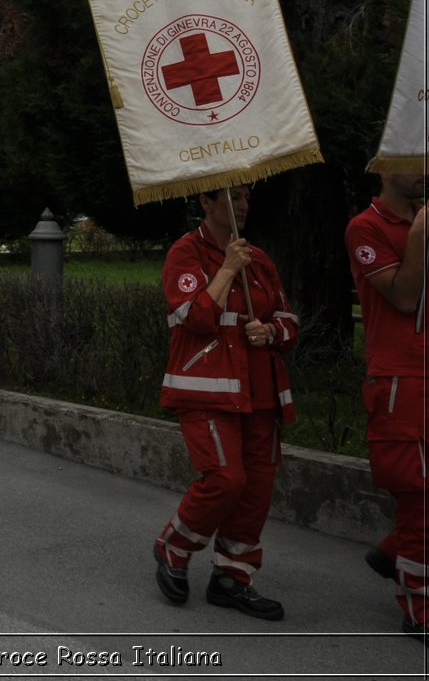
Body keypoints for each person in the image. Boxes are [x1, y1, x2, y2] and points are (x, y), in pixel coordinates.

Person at [152, 185, 297, 622]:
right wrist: (229, 268)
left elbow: (289, 319)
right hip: (207, 390)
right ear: (206, 203)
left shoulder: (261, 259)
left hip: (261, 393)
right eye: (233, 198)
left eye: (248, 197)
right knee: (226, 479)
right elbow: (193, 317)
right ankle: (174, 546)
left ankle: (233, 577)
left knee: (256, 488)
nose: (243, 205)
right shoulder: (185, 253)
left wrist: (271, 332)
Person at [346, 170, 429, 658]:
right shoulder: (364, 227)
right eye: (414, 162)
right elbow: (403, 295)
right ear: (384, 167)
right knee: (420, 500)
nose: (426, 172)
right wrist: (420, 234)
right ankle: (421, 605)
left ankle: (400, 551)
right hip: (401, 381)